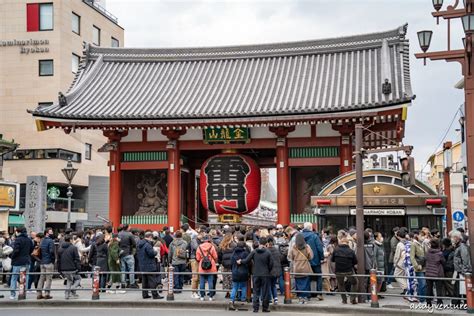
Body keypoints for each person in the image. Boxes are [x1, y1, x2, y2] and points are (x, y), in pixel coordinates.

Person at [239, 237, 274, 313]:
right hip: (265, 274)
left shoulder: (254, 252)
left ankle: (255, 308)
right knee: (265, 292)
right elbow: (271, 264)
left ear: (259, 243)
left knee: (256, 291)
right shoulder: (268, 252)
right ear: (266, 243)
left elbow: (247, 260)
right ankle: (265, 308)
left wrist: (240, 261)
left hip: (256, 273)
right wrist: (268, 270)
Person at [333, 230, 357, 304]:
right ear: (347, 243)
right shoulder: (351, 251)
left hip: (338, 270)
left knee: (340, 284)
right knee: (355, 282)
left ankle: (344, 300)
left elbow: (332, 260)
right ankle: (352, 299)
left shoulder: (336, 250)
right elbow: (355, 261)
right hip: (348, 270)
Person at [137, 231, 164, 299]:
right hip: (149, 265)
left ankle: (145, 294)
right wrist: (155, 252)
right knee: (152, 280)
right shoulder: (147, 244)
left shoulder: (139, 243)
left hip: (142, 264)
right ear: (150, 237)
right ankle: (155, 295)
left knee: (144, 281)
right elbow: (151, 253)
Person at [9, 226, 34, 300]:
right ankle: (23, 293)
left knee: (14, 277)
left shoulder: (18, 240)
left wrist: (13, 257)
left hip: (17, 261)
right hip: (26, 260)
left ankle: (12, 294)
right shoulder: (29, 240)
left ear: (18, 232)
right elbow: (31, 249)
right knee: (26, 277)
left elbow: (16, 250)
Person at [301, 222, 324, 300]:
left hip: (304, 260)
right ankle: (319, 294)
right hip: (315, 260)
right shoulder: (314, 236)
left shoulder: (299, 236)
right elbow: (319, 248)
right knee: (318, 276)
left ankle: (308, 294)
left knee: (307, 276)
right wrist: (322, 258)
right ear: (311, 228)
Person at [289, 233, 313, 304]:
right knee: (306, 283)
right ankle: (305, 297)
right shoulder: (307, 247)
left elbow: (290, 257)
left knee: (298, 283)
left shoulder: (294, 247)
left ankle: (300, 298)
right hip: (305, 267)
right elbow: (311, 256)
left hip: (297, 268)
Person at [394, 227, 417, 302]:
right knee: (406, 276)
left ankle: (406, 287)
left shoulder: (400, 244)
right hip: (410, 262)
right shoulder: (410, 242)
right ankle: (408, 289)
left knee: (396, 275)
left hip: (401, 263)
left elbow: (397, 255)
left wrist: (395, 263)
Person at [451, 229, 472, 306]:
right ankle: (458, 303)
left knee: (463, 289)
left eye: (452, 237)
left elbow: (465, 260)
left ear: (457, 238)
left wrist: (464, 272)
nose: (451, 239)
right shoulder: (458, 246)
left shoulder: (462, 247)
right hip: (458, 270)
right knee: (458, 288)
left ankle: (464, 304)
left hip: (461, 272)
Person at [57, 234, 81, 299]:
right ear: (70, 240)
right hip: (72, 268)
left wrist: (59, 270)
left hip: (63, 269)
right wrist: (79, 268)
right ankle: (72, 288)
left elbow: (58, 261)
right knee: (78, 278)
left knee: (69, 280)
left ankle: (67, 295)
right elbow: (77, 259)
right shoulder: (73, 248)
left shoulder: (60, 249)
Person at [229, 240, 250, 311]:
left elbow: (231, 263)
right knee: (244, 286)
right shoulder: (246, 253)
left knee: (235, 287)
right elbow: (248, 262)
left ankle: (232, 300)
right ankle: (243, 299)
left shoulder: (233, 253)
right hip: (244, 271)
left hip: (235, 271)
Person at [196, 234, 218, 301]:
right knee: (210, 282)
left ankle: (202, 296)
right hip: (211, 266)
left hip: (202, 266)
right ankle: (211, 296)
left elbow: (197, 258)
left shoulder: (199, 247)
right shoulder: (212, 246)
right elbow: (215, 257)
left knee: (202, 282)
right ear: (208, 240)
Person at [425, 239, 445, 306]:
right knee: (438, 289)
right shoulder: (440, 254)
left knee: (429, 288)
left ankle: (428, 303)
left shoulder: (427, 252)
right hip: (437, 273)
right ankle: (439, 303)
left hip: (428, 272)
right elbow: (443, 262)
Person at [118, 224, 137, 289]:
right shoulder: (130, 234)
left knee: (123, 269)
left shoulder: (119, 234)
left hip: (121, 253)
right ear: (127, 228)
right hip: (128, 253)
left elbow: (117, 243)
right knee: (131, 269)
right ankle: (132, 283)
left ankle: (123, 283)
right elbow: (134, 244)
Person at [410, 230, 426, 303]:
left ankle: (420, 297)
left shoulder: (424, 244)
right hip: (419, 267)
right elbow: (412, 257)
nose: (423, 237)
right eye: (421, 235)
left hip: (425, 266)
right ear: (417, 236)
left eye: (424, 236)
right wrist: (416, 266)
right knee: (422, 283)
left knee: (423, 284)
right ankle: (422, 300)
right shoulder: (414, 244)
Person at [218, 233, 236, 299]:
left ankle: (227, 292)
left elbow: (219, 256)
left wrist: (221, 262)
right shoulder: (234, 245)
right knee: (232, 279)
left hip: (224, 265)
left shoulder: (222, 245)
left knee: (226, 279)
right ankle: (233, 292)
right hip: (232, 265)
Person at [266, 237, 282, 305]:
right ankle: (275, 299)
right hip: (276, 271)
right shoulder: (277, 250)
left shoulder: (266, 251)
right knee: (274, 285)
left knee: (269, 285)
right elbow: (280, 259)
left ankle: (269, 299)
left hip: (269, 271)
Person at [373, 232, 385, 298]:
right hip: (378, 267)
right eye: (380, 236)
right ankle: (375, 294)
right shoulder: (375, 245)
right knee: (378, 281)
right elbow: (374, 256)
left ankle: (378, 293)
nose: (381, 237)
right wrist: (376, 266)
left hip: (382, 266)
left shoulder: (380, 245)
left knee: (381, 281)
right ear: (376, 237)